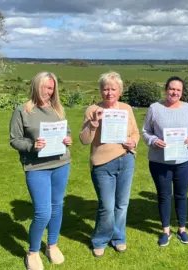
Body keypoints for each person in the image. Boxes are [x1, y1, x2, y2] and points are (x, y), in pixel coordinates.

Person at [9, 72, 72, 270]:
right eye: (44, 87)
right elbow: (15, 140)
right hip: (37, 167)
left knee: (57, 206)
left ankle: (52, 245)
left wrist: (67, 139)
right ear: (36, 86)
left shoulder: (57, 109)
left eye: (51, 88)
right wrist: (32, 145)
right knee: (43, 212)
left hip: (61, 164)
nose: (48, 91)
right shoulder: (22, 111)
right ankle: (33, 251)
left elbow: (66, 132)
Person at [79, 72, 139, 257]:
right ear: (101, 90)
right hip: (102, 165)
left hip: (126, 160)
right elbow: (84, 139)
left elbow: (135, 133)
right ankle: (100, 239)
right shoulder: (93, 110)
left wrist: (133, 143)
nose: (109, 92)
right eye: (106, 88)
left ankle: (119, 237)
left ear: (119, 91)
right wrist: (94, 123)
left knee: (122, 204)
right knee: (106, 205)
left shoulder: (126, 109)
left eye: (113, 89)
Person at [142, 76, 188, 247]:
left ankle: (182, 229)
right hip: (160, 162)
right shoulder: (155, 108)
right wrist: (153, 141)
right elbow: (146, 131)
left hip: (184, 160)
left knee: (182, 195)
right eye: (172, 89)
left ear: (182, 92)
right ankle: (166, 230)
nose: (174, 92)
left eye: (178, 90)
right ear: (166, 89)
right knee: (164, 196)